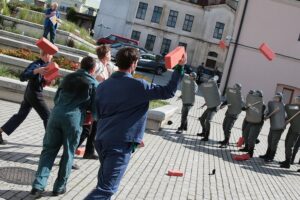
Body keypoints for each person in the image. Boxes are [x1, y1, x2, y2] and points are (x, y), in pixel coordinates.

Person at [84, 47, 186, 199]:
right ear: (134, 63)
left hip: (102, 139)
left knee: (104, 183)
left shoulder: (103, 86)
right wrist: (180, 67)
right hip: (119, 145)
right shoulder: (139, 86)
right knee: (106, 190)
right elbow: (168, 92)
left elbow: (97, 114)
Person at [31, 56, 98, 198]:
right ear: (92, 69)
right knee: (68, 154)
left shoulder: (68, 78)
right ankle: (59, 187)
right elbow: (94, 108)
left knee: (48, 151)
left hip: (55, 115)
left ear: (81, 65)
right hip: (73, 119)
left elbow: (56, 98)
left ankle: (37, 186)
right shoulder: (93, 83)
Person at [0, 51, 52, 145]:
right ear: (45, 55)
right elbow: (22, 76)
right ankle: (50, 143)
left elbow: (40, 80)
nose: (52, 56)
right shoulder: (36, 64)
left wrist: (47, 81)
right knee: (48, 116)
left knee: (20, 115)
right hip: (34, 93)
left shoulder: (46, 65)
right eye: (50, 54)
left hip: (30, 92)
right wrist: (36, 71)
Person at [75, 45, 115, 163]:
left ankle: (89, 151)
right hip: (92, 100)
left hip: (99, 100)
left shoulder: (106, 66)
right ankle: (71, 150)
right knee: (87, 129)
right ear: (104, 55)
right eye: (109, 53)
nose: (110, 54)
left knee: (95, 128)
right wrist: (96, 78)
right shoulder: (97, 65)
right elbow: (88, 75)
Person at [235, 90, 266, 160]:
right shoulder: (252, 102)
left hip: (257, 123)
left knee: (251, 139)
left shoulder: (262, 105)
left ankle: (250, 153)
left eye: (256, 95)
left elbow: (260, 114)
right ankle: (246, 148)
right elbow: (249, 109)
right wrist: (245, 108)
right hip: (250, 121)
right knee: (245, 134)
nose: (254, 97)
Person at [259, 93, 286, 162]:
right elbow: (268, 111)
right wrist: (266, 115)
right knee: (270, 140)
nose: (275, 99)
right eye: (275, 97)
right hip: (273, 126)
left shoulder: (283, 106)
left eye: (277, 98)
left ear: (280, 99)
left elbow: (285, 117)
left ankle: (271, 157)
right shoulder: (272, 105)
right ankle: (267, 154)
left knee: (274, 142)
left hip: (279, 127)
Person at [218, 83, 244, 148]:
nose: (233, 88)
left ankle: (226, 143)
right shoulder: (231, 94)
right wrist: (222, 105)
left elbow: (242, 106)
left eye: (235, 87)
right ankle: (225, 140)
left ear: (238, 89)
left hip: (233, 115)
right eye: (234, 86)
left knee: (228, 128)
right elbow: (227, 101)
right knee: (224, 126)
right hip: (228, 113)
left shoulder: (240, 96)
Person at [197, 76, 221, 141]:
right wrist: (205, 104)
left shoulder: (217, 91)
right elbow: (209, 97)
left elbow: (217, 100)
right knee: (202, 119)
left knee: (208, 121)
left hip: (214, 107)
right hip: (210, 106)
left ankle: (206, 136)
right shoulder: (210, 89)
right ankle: (204, 132)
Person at [279, 96, 300, 168]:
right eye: (295, 100)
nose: (294, 101)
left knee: (289, 145)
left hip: (296, 130)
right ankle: (287, 159)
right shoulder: (296, 107)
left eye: (296, 100)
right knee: (286, 142)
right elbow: (289, 110)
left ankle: (288, 163)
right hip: (291, 127)